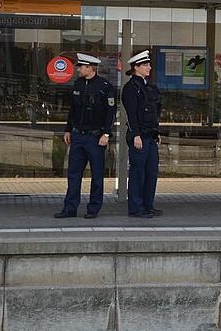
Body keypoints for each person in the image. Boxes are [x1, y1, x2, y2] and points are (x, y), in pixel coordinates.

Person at [54, 53, 116, 219]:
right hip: (78, 136)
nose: (79, 69)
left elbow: (110, 114)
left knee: (96, 175)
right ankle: (70, 208)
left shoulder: (105, 87)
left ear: (90, 68)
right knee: (73, 174)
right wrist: (68, 129)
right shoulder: (78, 84)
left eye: (81, 67)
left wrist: (106, 134)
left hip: (95, 138)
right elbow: (73, 110)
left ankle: (93, 209)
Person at [122, 50, 163, 218]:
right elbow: (131, 114)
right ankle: (136, 208)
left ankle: (148, 205)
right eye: (146, 65)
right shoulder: (131, 88)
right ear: (136, 67)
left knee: (151, 172)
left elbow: (154, 113)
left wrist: (156, 132)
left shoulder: (148, 87)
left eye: (149, 64)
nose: (149, 67)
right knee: (138, 173)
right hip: (139, 137)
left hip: (150, 137)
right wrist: (136, 134)